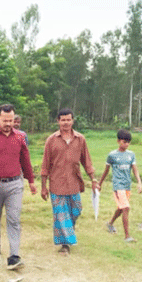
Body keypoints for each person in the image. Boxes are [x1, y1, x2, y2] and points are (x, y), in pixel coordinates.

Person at [0, 104, 36, 270]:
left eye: (11, 120)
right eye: (5, 120)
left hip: (15, 184)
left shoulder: (20, 137)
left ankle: (14, 255)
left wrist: (31, 180)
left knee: (14, 218)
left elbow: (25, 160)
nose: (8, 124)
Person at [40, 108, 95, 255]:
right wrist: (43, 187)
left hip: (74, 183)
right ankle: (65, 245)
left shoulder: (80, 139)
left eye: (68, 120)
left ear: (73, 121)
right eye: (63, 120)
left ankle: (68, 232)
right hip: (56, 184)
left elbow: (87, 161)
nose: (66, 123)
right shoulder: (51, 140)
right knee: (61, 214)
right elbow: (45, 165)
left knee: (76, 211)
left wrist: (93, 179)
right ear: (58, 121)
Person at [97, 129, 142, 243]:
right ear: (118, 141)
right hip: (118, 186)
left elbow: (135, 170)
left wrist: (139, 182)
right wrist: (99, 183)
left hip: (127, 186)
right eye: (124, 142)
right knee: (126, 208)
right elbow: (106, 171)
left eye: (128, 142)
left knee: (121, 208)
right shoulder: (112, 155)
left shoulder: (131, 155)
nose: (126, 144)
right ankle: (127, 237)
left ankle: (110, 223)